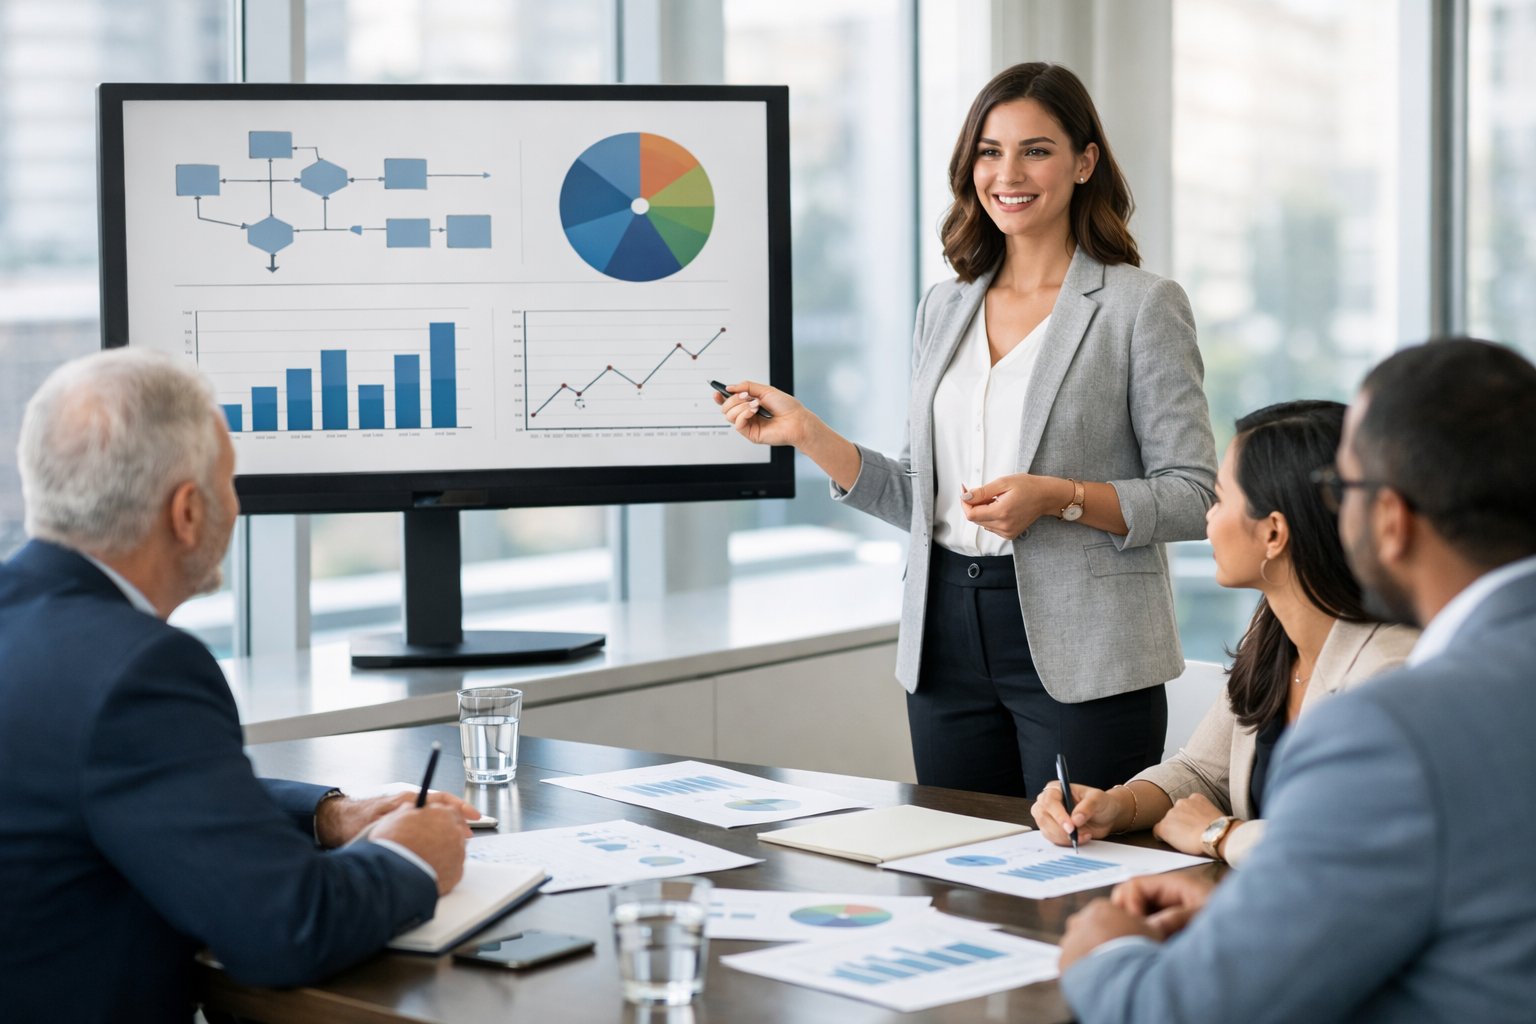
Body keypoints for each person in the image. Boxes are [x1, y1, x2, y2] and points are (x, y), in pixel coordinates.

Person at [717, 62, 1216, 798]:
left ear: (1084, 162)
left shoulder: (1140, 307)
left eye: (1036, 150)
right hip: (944, 633)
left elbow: (1194, 495)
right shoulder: (943, 307)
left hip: (1087, 648)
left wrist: (1058, 497)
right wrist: (807, 433)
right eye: (989, 150)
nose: (1008, 172)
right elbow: (924, 497)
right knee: (959, 873)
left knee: (1084, 877)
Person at [1058, 338, 1536, 1023]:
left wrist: (1104, 952)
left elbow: (1184, 1011)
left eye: (1347, 490)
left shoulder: (1393, 722)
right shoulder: (1282, 644)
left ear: (1392, 521)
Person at [0, 350, 477, 1024]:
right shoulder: (139, 669)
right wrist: (411, 857)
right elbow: (286, 929)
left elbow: (120, 785)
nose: (238, 504)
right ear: (188, 512)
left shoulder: (29, 630)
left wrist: (329, 816)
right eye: (230, 482)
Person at [1031, 400, 1417, 865]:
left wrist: (1220, 833)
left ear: (1274, 533)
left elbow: (1348, 845)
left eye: (1220, 499)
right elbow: (1201, 770)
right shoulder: (1274, 630)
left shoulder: (1392, 672)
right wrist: (1117, 805)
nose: (1208, 518)